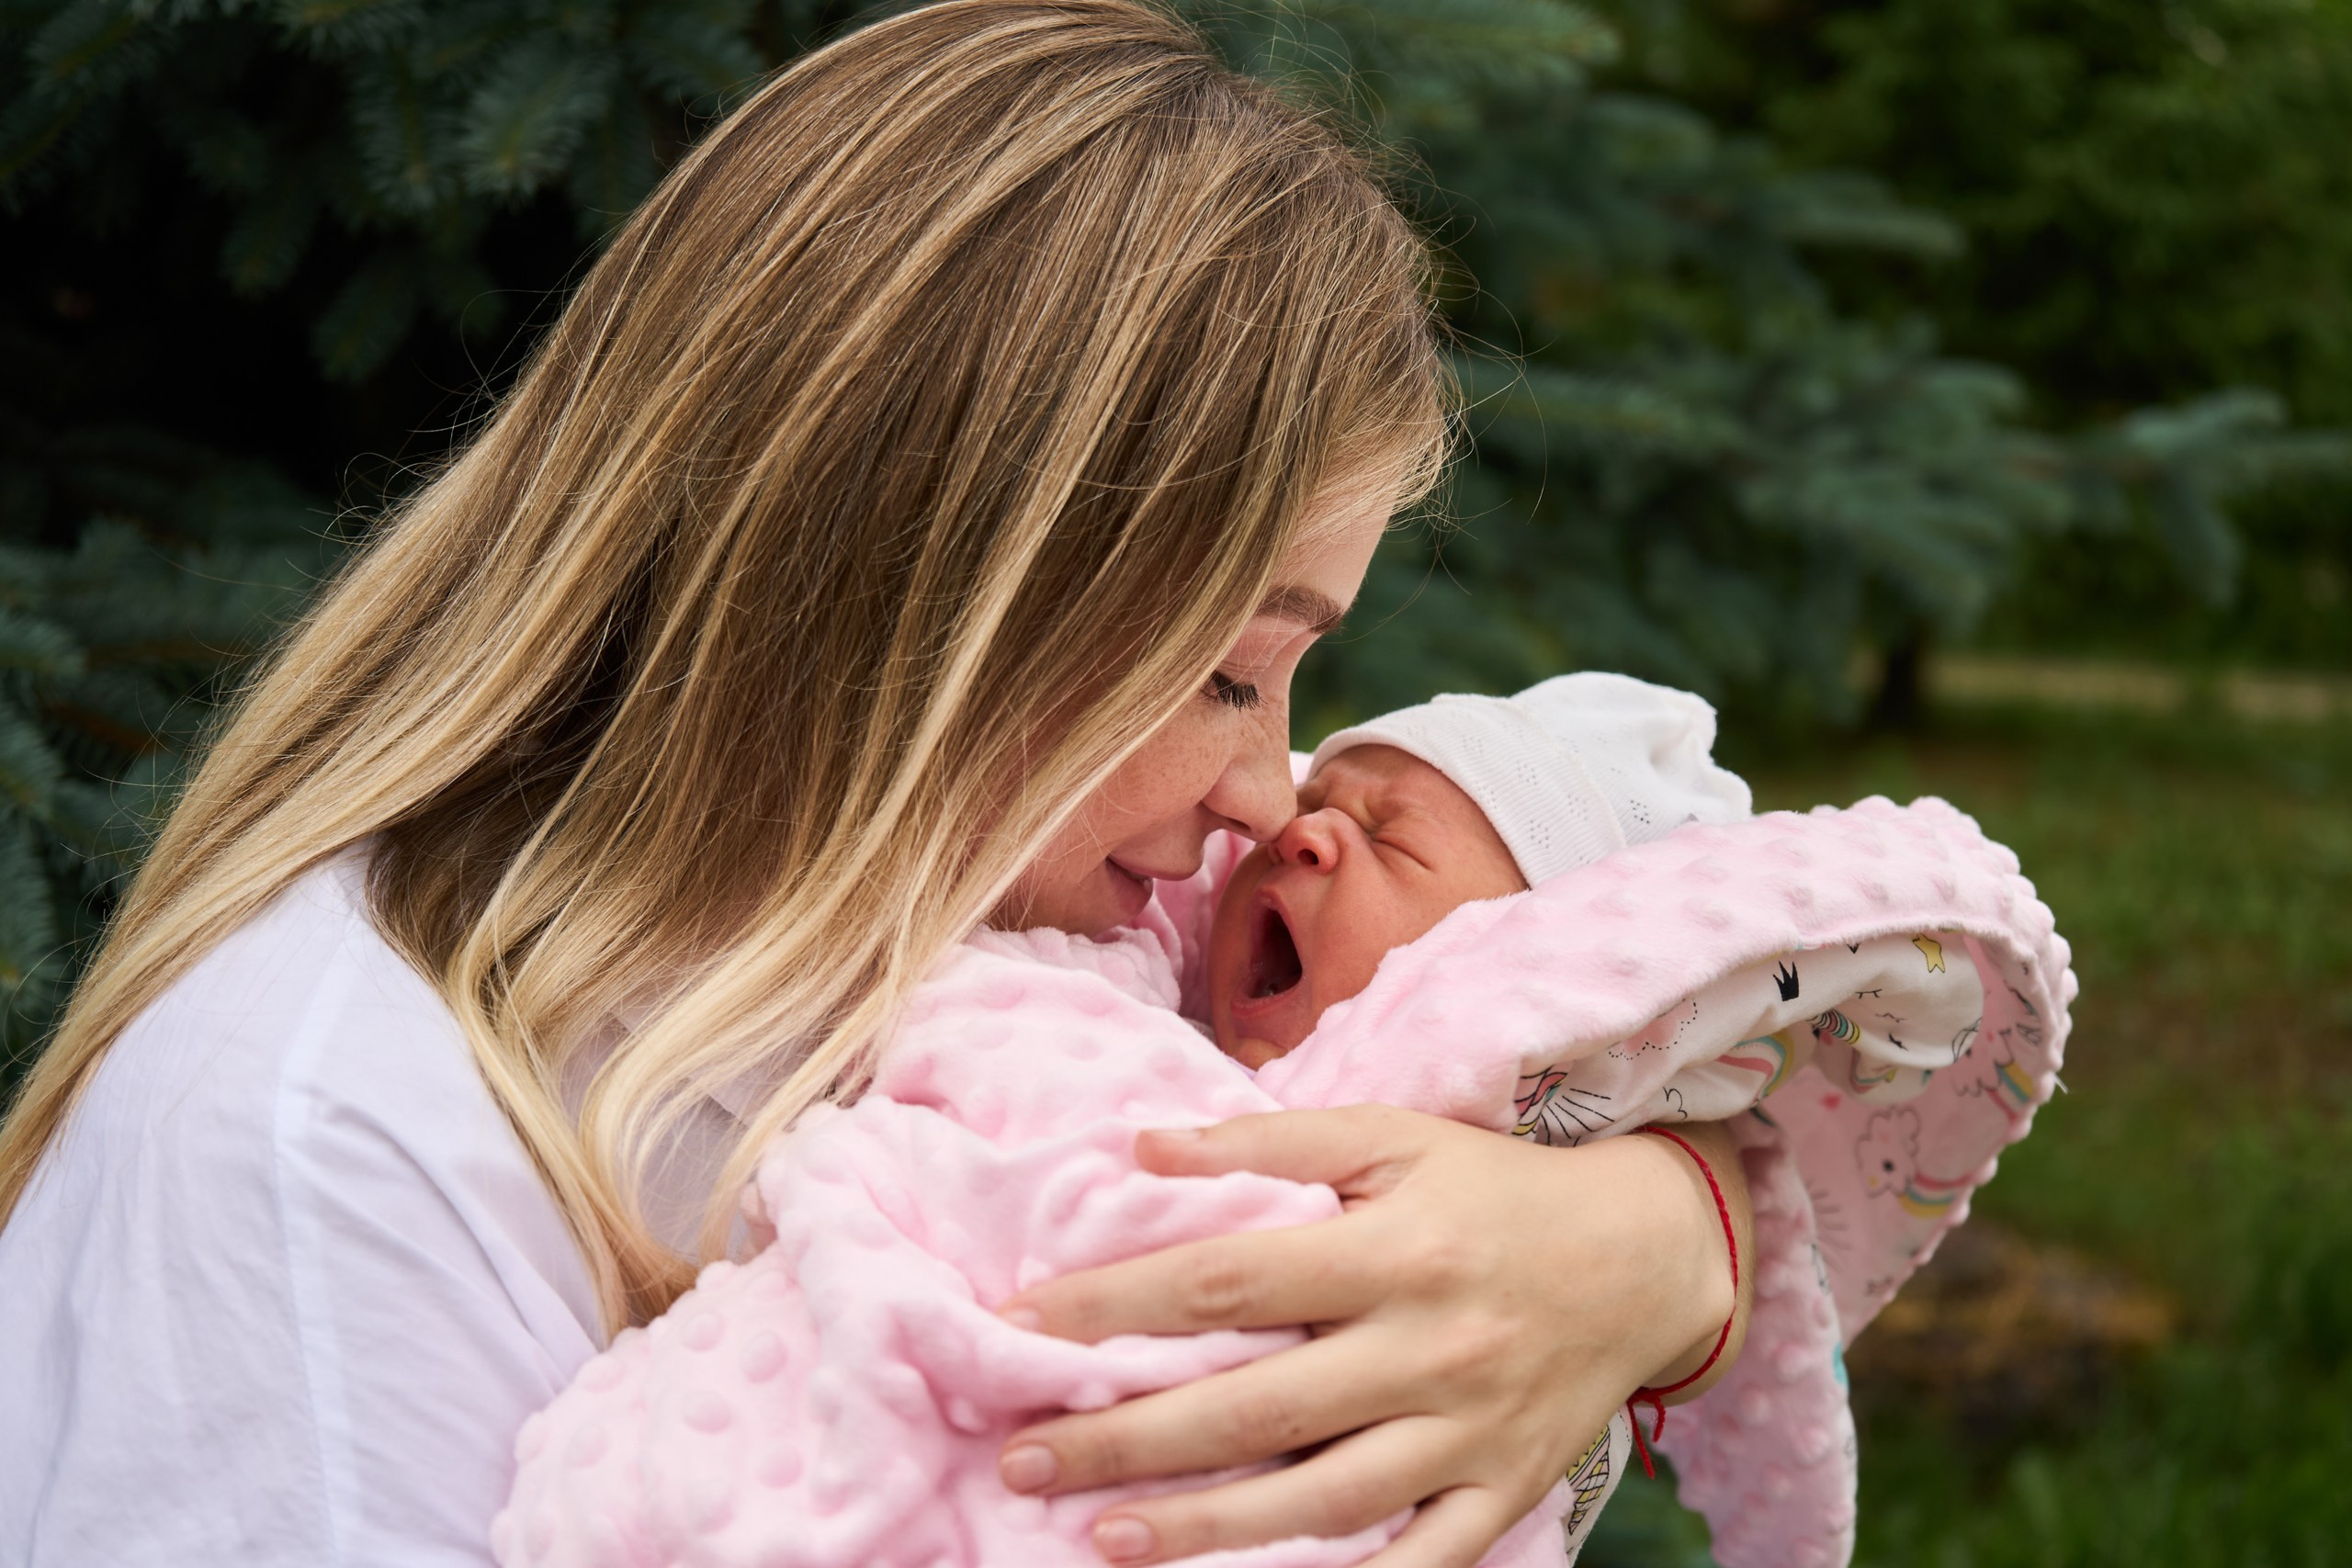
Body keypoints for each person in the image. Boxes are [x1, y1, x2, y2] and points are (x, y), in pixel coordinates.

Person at [0, 6, 1767, 1566]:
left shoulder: (1042, 902)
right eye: (1231, 670)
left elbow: (1639, 982)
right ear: (919, 598)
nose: (1265, 798)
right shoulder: (326, 1158)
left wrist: (1649, 1244)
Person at [495, 674, 2071, 1568]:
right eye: (1326, 799)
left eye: (1393, 838)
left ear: (1532, 977)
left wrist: (1676, 1223)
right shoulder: (1109, 989)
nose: (1296, 827)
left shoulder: (1528, 1192)